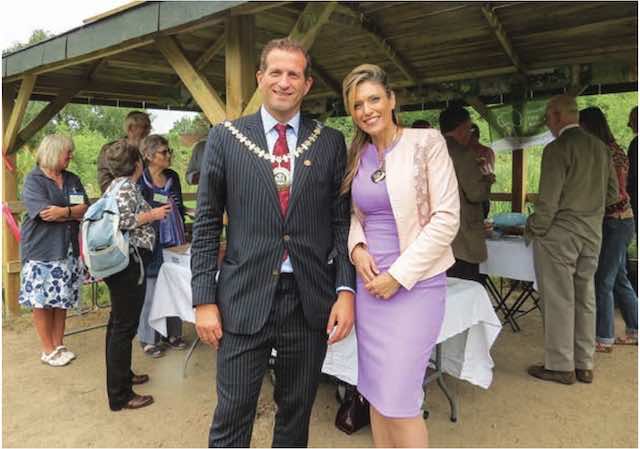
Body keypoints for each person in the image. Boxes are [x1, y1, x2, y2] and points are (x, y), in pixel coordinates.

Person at [191, 38, 356, 447]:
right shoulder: (226, 137)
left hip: (308, 300)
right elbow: (208, 222)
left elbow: (342, 222)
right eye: (276, 73)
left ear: (308, 84)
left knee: (296, 413)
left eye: (294, 74)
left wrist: (345, 289)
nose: (285, 82)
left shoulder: (330, 141)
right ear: (261, 78)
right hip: (243, 298)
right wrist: (203, 299)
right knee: (233, 412)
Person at [343, 64, 460, 448]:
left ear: (392, 100)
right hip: (370, 289)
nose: (367, 110)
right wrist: (357, 249)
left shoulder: (426, 143)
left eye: (374, 99)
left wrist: (398, 275)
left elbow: (446, 219)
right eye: (357, 104)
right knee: (376, 393)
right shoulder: (357, 154)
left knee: (401, 400)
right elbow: (353, 214)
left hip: (416, 285)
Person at [525, 95, 618, 385]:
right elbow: (614, 194)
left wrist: (534, 228)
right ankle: (584, 364)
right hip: (592, 233)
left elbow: (548, 202)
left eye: (548, 118)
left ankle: (560, 365)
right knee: (585, 297)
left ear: (555, 116)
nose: (548, 124)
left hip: (560, 234)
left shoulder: (557, 149)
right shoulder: (601, 148)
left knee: (559, 300)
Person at [101, 140, 171, 411]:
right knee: (123, 327)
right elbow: (123, 221)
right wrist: (152, 214)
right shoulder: (128, 187)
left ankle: (122, 376)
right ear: (138, 164)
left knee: (117, 323)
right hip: (129, 263)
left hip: (120, 263)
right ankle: (120, 395)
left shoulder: (113, 186)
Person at [19, 134, 89, 366]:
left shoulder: (72, 179)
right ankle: (47, 350)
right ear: (53, 152)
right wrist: (71, 212)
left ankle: (59, 344)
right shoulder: (33, 180)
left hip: (67, 249)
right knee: (42, 301)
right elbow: (43, 214)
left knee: (62, 299)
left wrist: (64, 213)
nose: (71, 156)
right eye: (67, 152)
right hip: (41, 251)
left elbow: (85, 208)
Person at [579, 107, 638, 351]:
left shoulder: (609, 154)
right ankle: (635, 328)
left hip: (617, 221)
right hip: (619, 222)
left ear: (589, 127)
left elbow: (620, 196)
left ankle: (604, 337)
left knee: (603, 279)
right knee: (619, 278)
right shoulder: (611, 151)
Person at [137, 134, 188, 357]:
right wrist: (153, 214)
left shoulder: (173, 177)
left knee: (174, 286)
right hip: (150, 243)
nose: (169, 155)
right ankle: (148, 338)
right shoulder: (139, 180)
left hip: (173, 240)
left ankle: (173, 334)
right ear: (149, 155)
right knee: (150, 290)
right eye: (164, 152)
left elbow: (180, 206)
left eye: (169, 152)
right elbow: (134, 213)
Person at [439, 106, 493, 284]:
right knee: (466, 290)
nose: (470, 133)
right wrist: (486, 181)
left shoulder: (432, 151)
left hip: (437, 238)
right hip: (462, 239)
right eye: (469, 128)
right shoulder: (462, 154)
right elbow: (476, 194)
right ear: (462, 128)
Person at [97, 111, 151, 193]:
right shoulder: (110, 150)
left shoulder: (151, 151)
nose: (148, 131)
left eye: (149, 127)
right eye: (145, 127)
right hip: (119, 201)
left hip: (146, 202)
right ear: (131, 128)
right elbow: (105, 184)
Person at [469, 123, 495, 219]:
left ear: (476, 136)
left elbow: (489, 173)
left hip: (481, 196)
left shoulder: (486, 151)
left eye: (472, 137)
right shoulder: (463, 152)